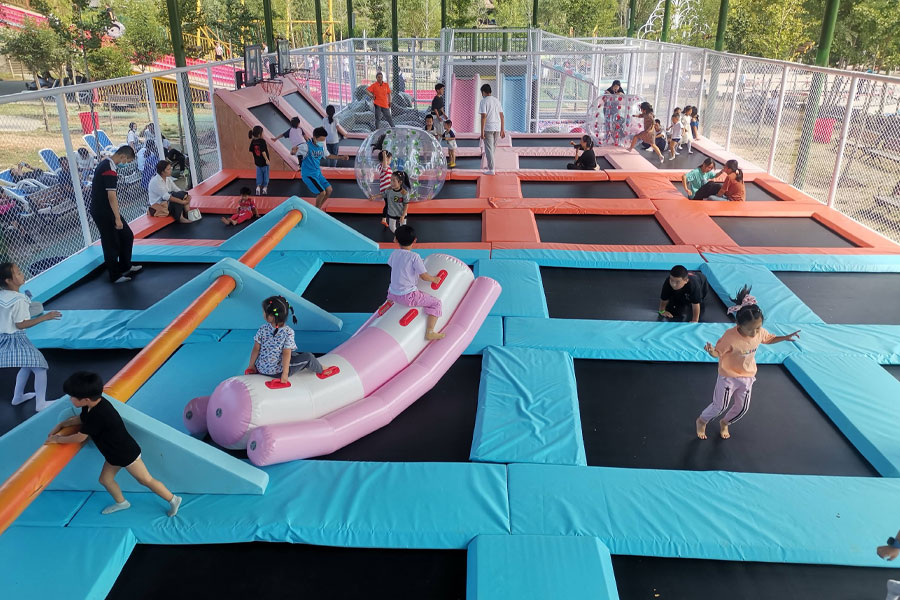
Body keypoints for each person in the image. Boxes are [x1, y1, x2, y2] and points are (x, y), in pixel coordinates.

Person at [46, 371, 182, 517]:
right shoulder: (91, 405)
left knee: (145, 480)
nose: (70, 399)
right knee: (105, 480)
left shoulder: (99, 414)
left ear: (85, 399)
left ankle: (173, 499)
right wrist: (62, 424)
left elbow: (80, 437)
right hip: (114, 454)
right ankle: (122, 502)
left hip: (126, 454)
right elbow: (81, 419)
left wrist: (57, 439)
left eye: (72, 396)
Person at [695, 286, 800, 440]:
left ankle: (725, 422)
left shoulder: (759, 332)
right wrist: (711, 351)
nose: (754, 333)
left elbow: (769, 338)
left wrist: (784, 337)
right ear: (739, 325)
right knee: (720, 406)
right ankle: (702, 421)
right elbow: (718, 353)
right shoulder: (730, 337)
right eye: (750, 329)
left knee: (742, 408)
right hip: (728, 376)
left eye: (758, 328)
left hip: (747, 376)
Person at [0, 262, 61, 412]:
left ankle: (18, 397)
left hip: (3, 338)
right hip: (15, 339)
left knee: (27, 364)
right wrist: (45, 317)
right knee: (40, 367)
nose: (22, 274)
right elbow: (21, 324)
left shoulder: (3, 295)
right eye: (18, 273)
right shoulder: (19, 300)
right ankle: (41, 404)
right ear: (8, 280)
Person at [90, 145, 141, 284]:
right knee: (111, 242)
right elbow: (111, 196)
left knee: (127, 235)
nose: (127, 163)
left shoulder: (107, 164)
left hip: (107, 210)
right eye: (128, 161)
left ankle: (125, 266)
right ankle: (114, 275)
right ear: (122, 156)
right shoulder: (109, 169)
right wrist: (117, 218)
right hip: (103, 211)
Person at [245, 296, 322, 387]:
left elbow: (256, 349)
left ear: (271, 316)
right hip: (277, 372)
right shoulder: (288, 332)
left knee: (293, 353)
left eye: (264, 312)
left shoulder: (263, 328)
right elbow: (286, 353)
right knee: (308, 357)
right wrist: (285, 374)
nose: (263, 313)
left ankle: (319, 367)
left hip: (260, 369)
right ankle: (321, 369)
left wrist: (251, 366)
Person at [387, 225, 446, 341]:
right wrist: (435, 279)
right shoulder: (415, 257)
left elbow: (397, 266)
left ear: (395, 240)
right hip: (408, 296)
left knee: (392, 293)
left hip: (392, 293)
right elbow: (424, 277)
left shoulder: (394, 254)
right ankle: (430, 332)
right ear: (415, 240)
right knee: (436, 303)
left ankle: (387, 304)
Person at [301, 126, 349, 209]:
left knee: (329, 190)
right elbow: (294, 151)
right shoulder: (306, 146)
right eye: (321, 140)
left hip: (317, 173)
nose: (323, 142)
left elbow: (328, 155)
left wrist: (341, 157)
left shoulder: (321, 145)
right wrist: (294, 152)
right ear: (315, 138)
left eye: (324, 140)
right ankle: (317, 209)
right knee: (322, 193)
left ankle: (318, 208)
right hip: (309, 174)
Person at [479, 83, 505, 175]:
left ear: (483, 92)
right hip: (497, 128)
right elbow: (502, 116)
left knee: (489, 149)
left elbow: (483, 117)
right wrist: (502, 129)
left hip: (488, 128)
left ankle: (491, 169)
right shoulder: (497, 101)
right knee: (492, 148)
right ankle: (491, 166)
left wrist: (482, 132)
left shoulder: (483, 101)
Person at [371, 150, 393, 227]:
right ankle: (386, 218)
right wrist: (384, 155)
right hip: (386, 189)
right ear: (386, 159)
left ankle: (384, 219)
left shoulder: (387, 167)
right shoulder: (383, 167)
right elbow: (384, 166)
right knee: (389, 204)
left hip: (387, 189)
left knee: (388, 204)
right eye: (390, 159)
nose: (391, 160)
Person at [248, 126, 270, 196]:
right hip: (264, 163)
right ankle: (265, 188)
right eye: (263, 132)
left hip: (257, 162)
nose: (263, 134)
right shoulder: (262, 141)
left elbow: (251, 150)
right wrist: (267, 160)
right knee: (265, 175)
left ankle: (258, 187)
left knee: (259, 175)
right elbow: (263, 151)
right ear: (259, 134)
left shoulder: (253, 141)